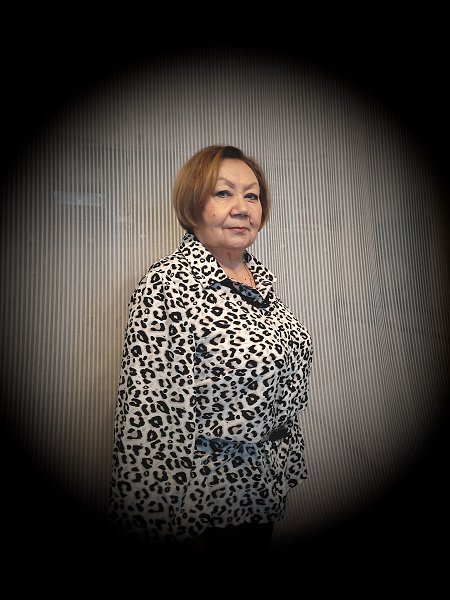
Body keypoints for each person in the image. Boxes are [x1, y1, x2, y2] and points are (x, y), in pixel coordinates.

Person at [108, 144, 313, 555]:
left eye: (252, 195)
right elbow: (148, 420)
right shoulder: (167, 285)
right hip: (203, 501)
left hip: (263, 486)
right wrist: (150, 525)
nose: (242, 208)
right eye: (223, 193)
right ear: (193, 205)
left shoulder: (258, 278)